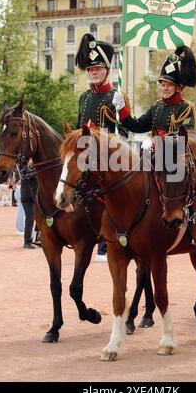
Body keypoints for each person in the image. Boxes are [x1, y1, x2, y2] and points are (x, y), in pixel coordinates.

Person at [75, 32, 128, 261]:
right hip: (84, 154)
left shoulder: (116, 95)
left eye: (97, 69)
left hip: (109, 157)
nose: (93, 73)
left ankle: (109, 239)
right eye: (90, 69)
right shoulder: (84, 97)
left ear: (107, 70)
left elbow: (124, 132)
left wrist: (121, 109)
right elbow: (79, 128)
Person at [112, 45, 196, 136]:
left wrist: (159, 140)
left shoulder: (186, 108)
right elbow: (137, 126)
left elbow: (185, 137)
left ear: (179, 88)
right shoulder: (156, 106)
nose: (165, 88)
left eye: (169, 85)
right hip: (156, 149)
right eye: (163, 84)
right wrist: (122, 108)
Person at [20, 161, 38, 249]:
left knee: (34, 218)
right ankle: (27, 242)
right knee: (29, 218)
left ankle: (34, 239)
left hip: (32, 197)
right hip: (27, 197)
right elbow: (31, 174)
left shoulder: (31, 168)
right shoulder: (24, 168)